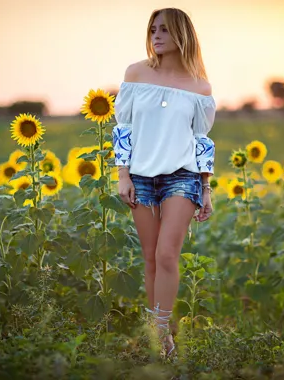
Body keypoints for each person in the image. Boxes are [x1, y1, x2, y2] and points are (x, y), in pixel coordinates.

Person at [111, 7, 216, 358]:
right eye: (153, 29)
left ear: (181, 35)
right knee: (150, 258)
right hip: (139, 176)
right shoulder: (135, 73)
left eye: (165, 30)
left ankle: (159, 334)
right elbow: (123, 128)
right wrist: (122, 174)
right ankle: (163, 329)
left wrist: (206, 188)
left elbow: (201, 140)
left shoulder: (200, 87)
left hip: (182, 178)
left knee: (167, 254)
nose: (156, 35)